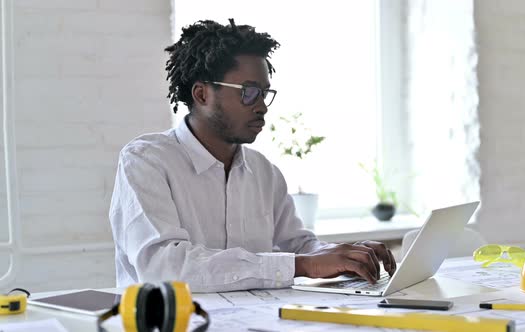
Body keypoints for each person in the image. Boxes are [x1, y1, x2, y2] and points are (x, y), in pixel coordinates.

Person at [109, 19, 396, 292]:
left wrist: (342, 255)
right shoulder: (146, 161)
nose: (262, 107)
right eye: (249, 92)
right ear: (201, 94)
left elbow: (295, 244)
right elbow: (165, 268)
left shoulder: (264, 171)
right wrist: (304, 265)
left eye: (264, 93)